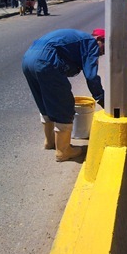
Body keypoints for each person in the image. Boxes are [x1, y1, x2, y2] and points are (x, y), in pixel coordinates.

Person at [22, 28, 106, 162]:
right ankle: (63, 151)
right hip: (45, 60)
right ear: (99, 39)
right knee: (64, 103)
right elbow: (91, 76)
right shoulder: (91, 43)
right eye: (104, 48)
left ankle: (50, 142)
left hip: (28, 58)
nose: (102, 53)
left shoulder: (79, 38)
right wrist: (102, 98)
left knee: (45, 101)